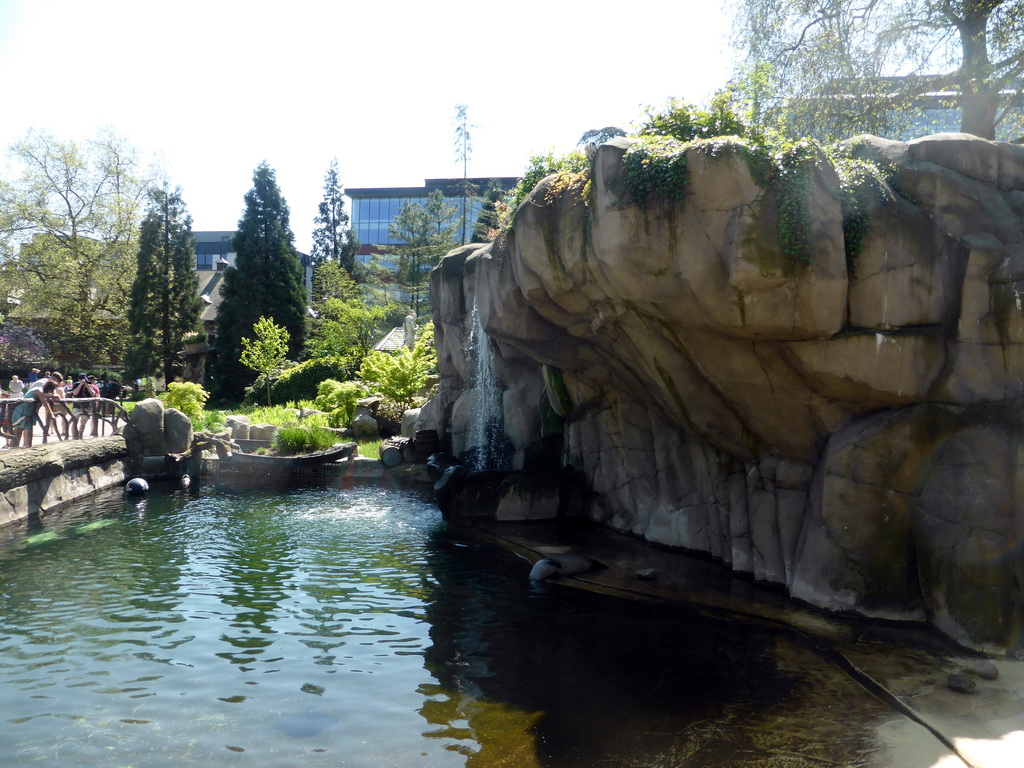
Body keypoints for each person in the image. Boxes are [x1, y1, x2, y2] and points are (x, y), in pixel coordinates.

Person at [10, 372, 63, 448]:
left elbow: (46, 395)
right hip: (23, 409)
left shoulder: (42, 388)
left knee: (27, 428)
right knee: (18, 429)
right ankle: (14, 448)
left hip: (30, 410)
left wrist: (53, 395)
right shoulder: (39, 389)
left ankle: (26, 448)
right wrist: (52, 415)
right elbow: (45, 402)